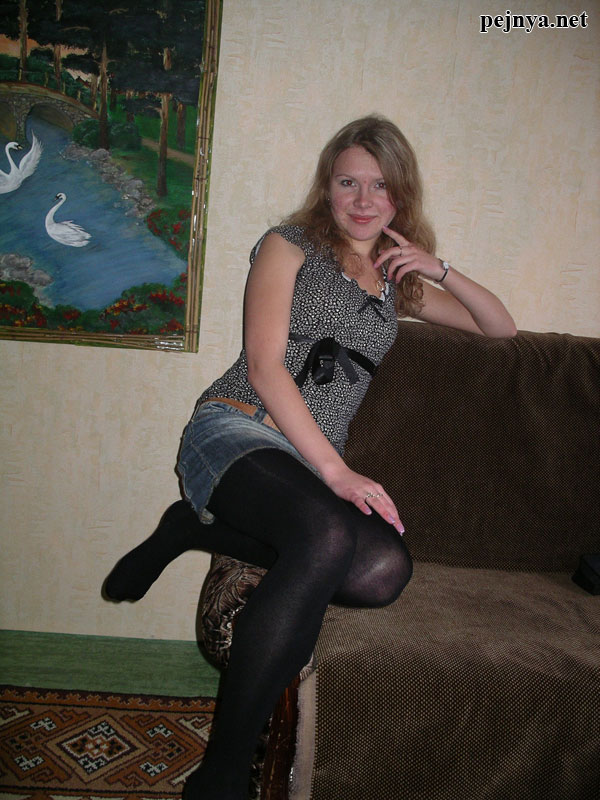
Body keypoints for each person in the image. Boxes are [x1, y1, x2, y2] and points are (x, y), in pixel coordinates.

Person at [104, 115, 517, 799]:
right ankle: (222, 775)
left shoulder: (398, 283)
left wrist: (438, 267)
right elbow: (264, 366)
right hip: (238, 428)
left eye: (380, 185)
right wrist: (336, 470)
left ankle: (191, 528)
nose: (363, 199)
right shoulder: (287, 245)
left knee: (383, 572)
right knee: (326, 533)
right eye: (348, 182)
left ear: (401, 194)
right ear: (328, 187)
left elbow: (499, 328)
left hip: (300, 464)